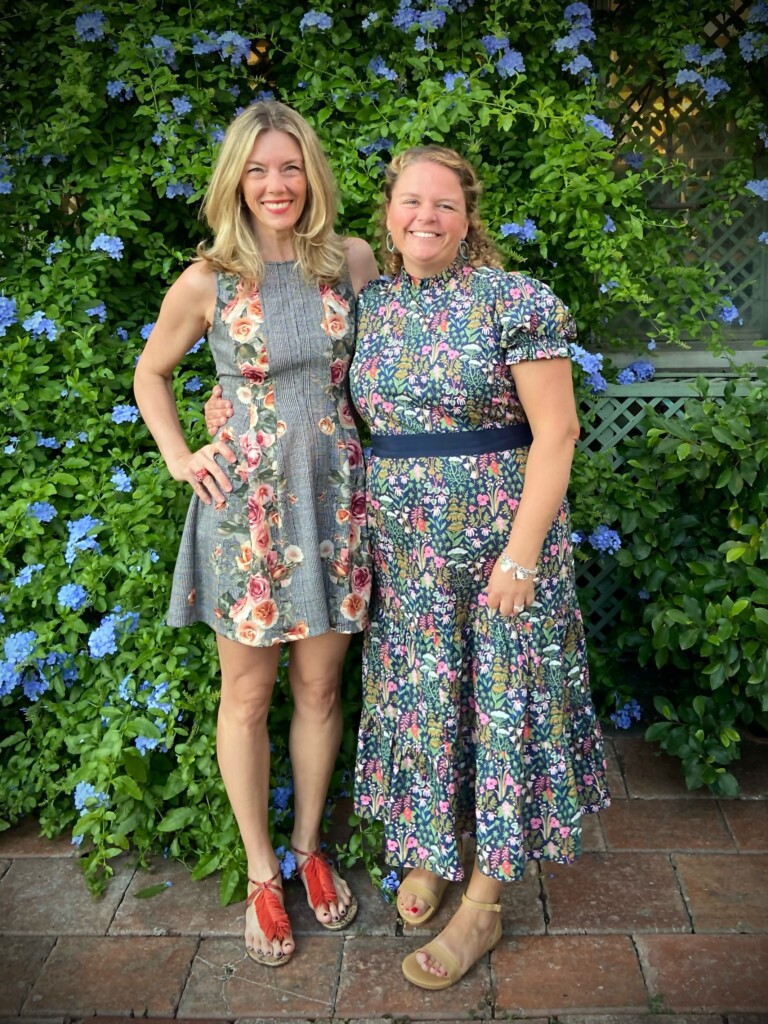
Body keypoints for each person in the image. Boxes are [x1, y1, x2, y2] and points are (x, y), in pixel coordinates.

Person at [206, 143, 611, 989]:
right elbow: (298, 377)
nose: (425, 217)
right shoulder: (373, 302)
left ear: (470, 220)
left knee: (502, 710)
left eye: (445, 206)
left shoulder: (516, 301)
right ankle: (426, 854)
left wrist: (522, 556)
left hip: (502, 553)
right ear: (387, 215)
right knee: (424, 704)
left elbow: (559, 434)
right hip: (404, 556)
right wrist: (224, 405)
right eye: (410, 203)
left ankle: (485, 904)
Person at [133, 100, 379, 968]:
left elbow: (381, 367)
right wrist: (179, 453)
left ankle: (310, 848)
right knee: (245, 699)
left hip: (337, 501)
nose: (276, 184)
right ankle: (260, 872)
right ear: (235, 179)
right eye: (258, 169)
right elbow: (151, 371)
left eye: (290, 167)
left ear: (311, 174)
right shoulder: (207, 279)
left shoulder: (349, 262)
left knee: (318, 691)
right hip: (249, 514)